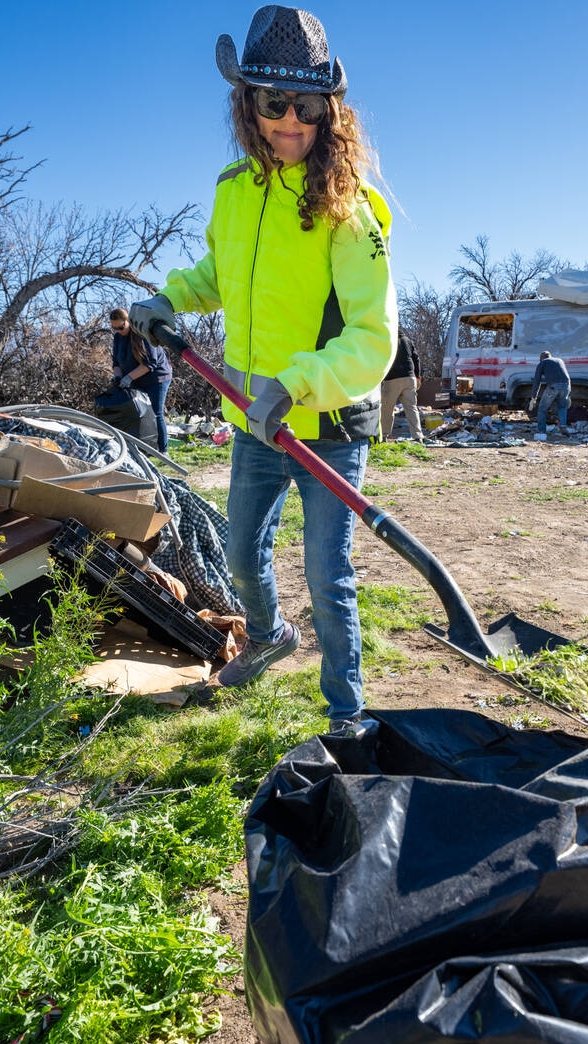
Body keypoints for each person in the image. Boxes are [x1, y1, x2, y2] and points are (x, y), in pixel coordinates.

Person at [130, 5, 397, 734]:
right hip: (253, 420)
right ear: (246, 103)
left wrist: (298, 383)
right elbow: (223, 273)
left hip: (329, 422)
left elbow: (375, 337)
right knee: (241, 558)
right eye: (272, 102)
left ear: (328, 111)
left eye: (306, 105)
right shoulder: (233, 189)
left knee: (327, 574)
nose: (289, 120)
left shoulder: (351, 212)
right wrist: (170, 298)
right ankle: (271, 633)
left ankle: (347, 713)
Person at [110, 307, 172, 452]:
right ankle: (144, 450)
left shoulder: (142, 332)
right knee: (138, 413)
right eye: (115, 328)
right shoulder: (118, 337)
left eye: (121, 327)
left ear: (128, 321)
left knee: (155, 413)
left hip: (157, 378)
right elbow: (116, 362)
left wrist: (129, 377)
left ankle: (163, 452)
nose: (118, 330)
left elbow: (150, 363)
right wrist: (118, 376)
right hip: (134, 378)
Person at [381, 325, 423, 442]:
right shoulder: (407, 340)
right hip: (410, 378)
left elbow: (383, 359)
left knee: (387, 408)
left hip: (393, 379)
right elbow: (416, 358)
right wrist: (418, 376)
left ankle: (384, 436)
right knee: (411, 408)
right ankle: (418, 436)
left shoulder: (388, 341)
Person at [530, 351, 571, 441]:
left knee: (542, 409)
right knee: (562, 407)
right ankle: (563, 428)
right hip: (566, 386)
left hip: (553, 387)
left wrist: (534, 397)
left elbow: (537, 381)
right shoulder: (559, 360)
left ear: (541, 358)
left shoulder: (542, 363)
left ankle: (541, 431)